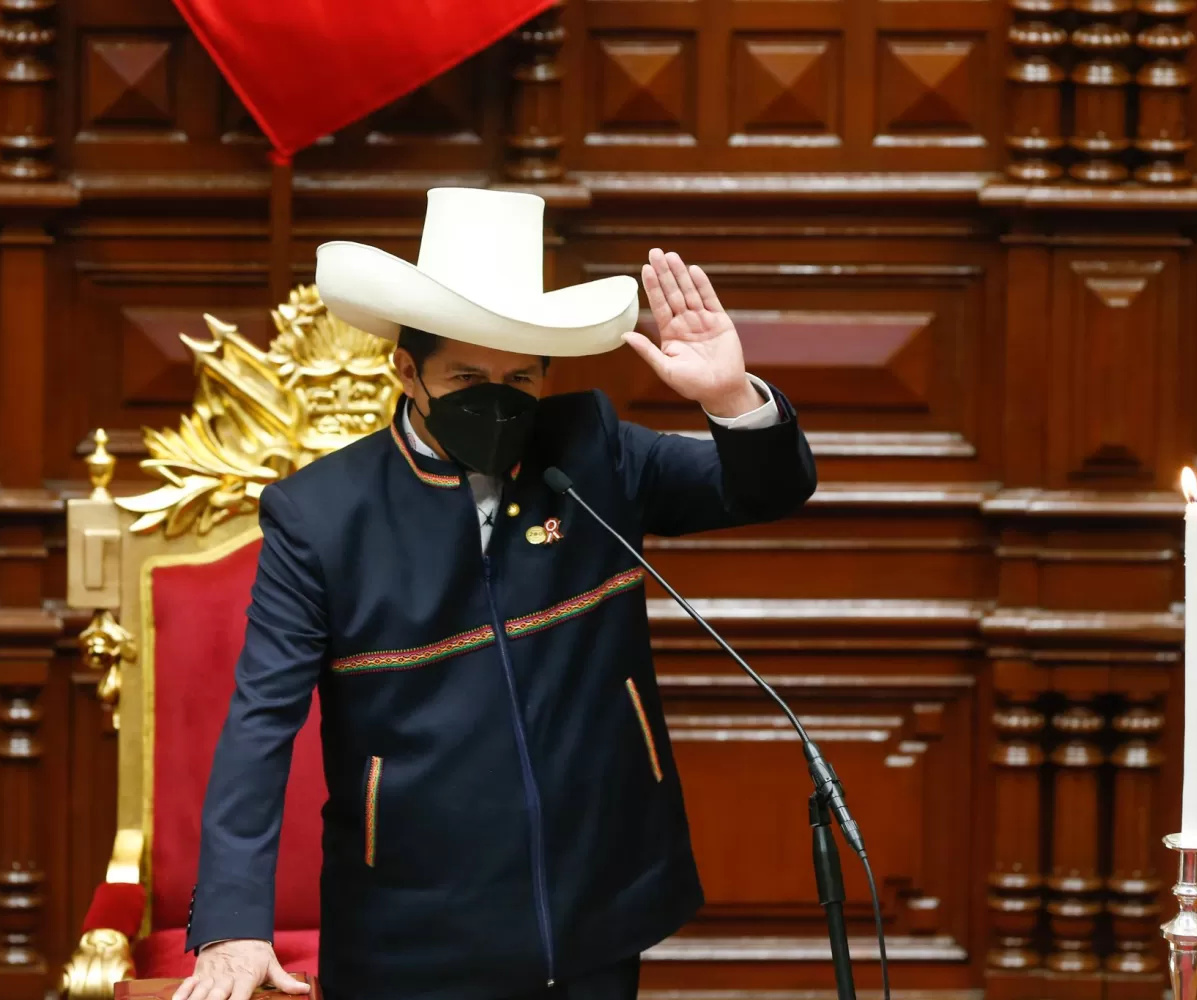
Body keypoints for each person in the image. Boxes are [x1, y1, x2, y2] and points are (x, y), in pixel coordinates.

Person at [173, 188, 817, 1000]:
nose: (497, 398)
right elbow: (261, 719)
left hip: (594, 907)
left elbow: (763, 491)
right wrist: (233, 918)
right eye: (468, 376)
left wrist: (729, 400)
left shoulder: (593, 451)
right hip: (410, 931)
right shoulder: (320, 516)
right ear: (407, 370)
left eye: (520, 378)